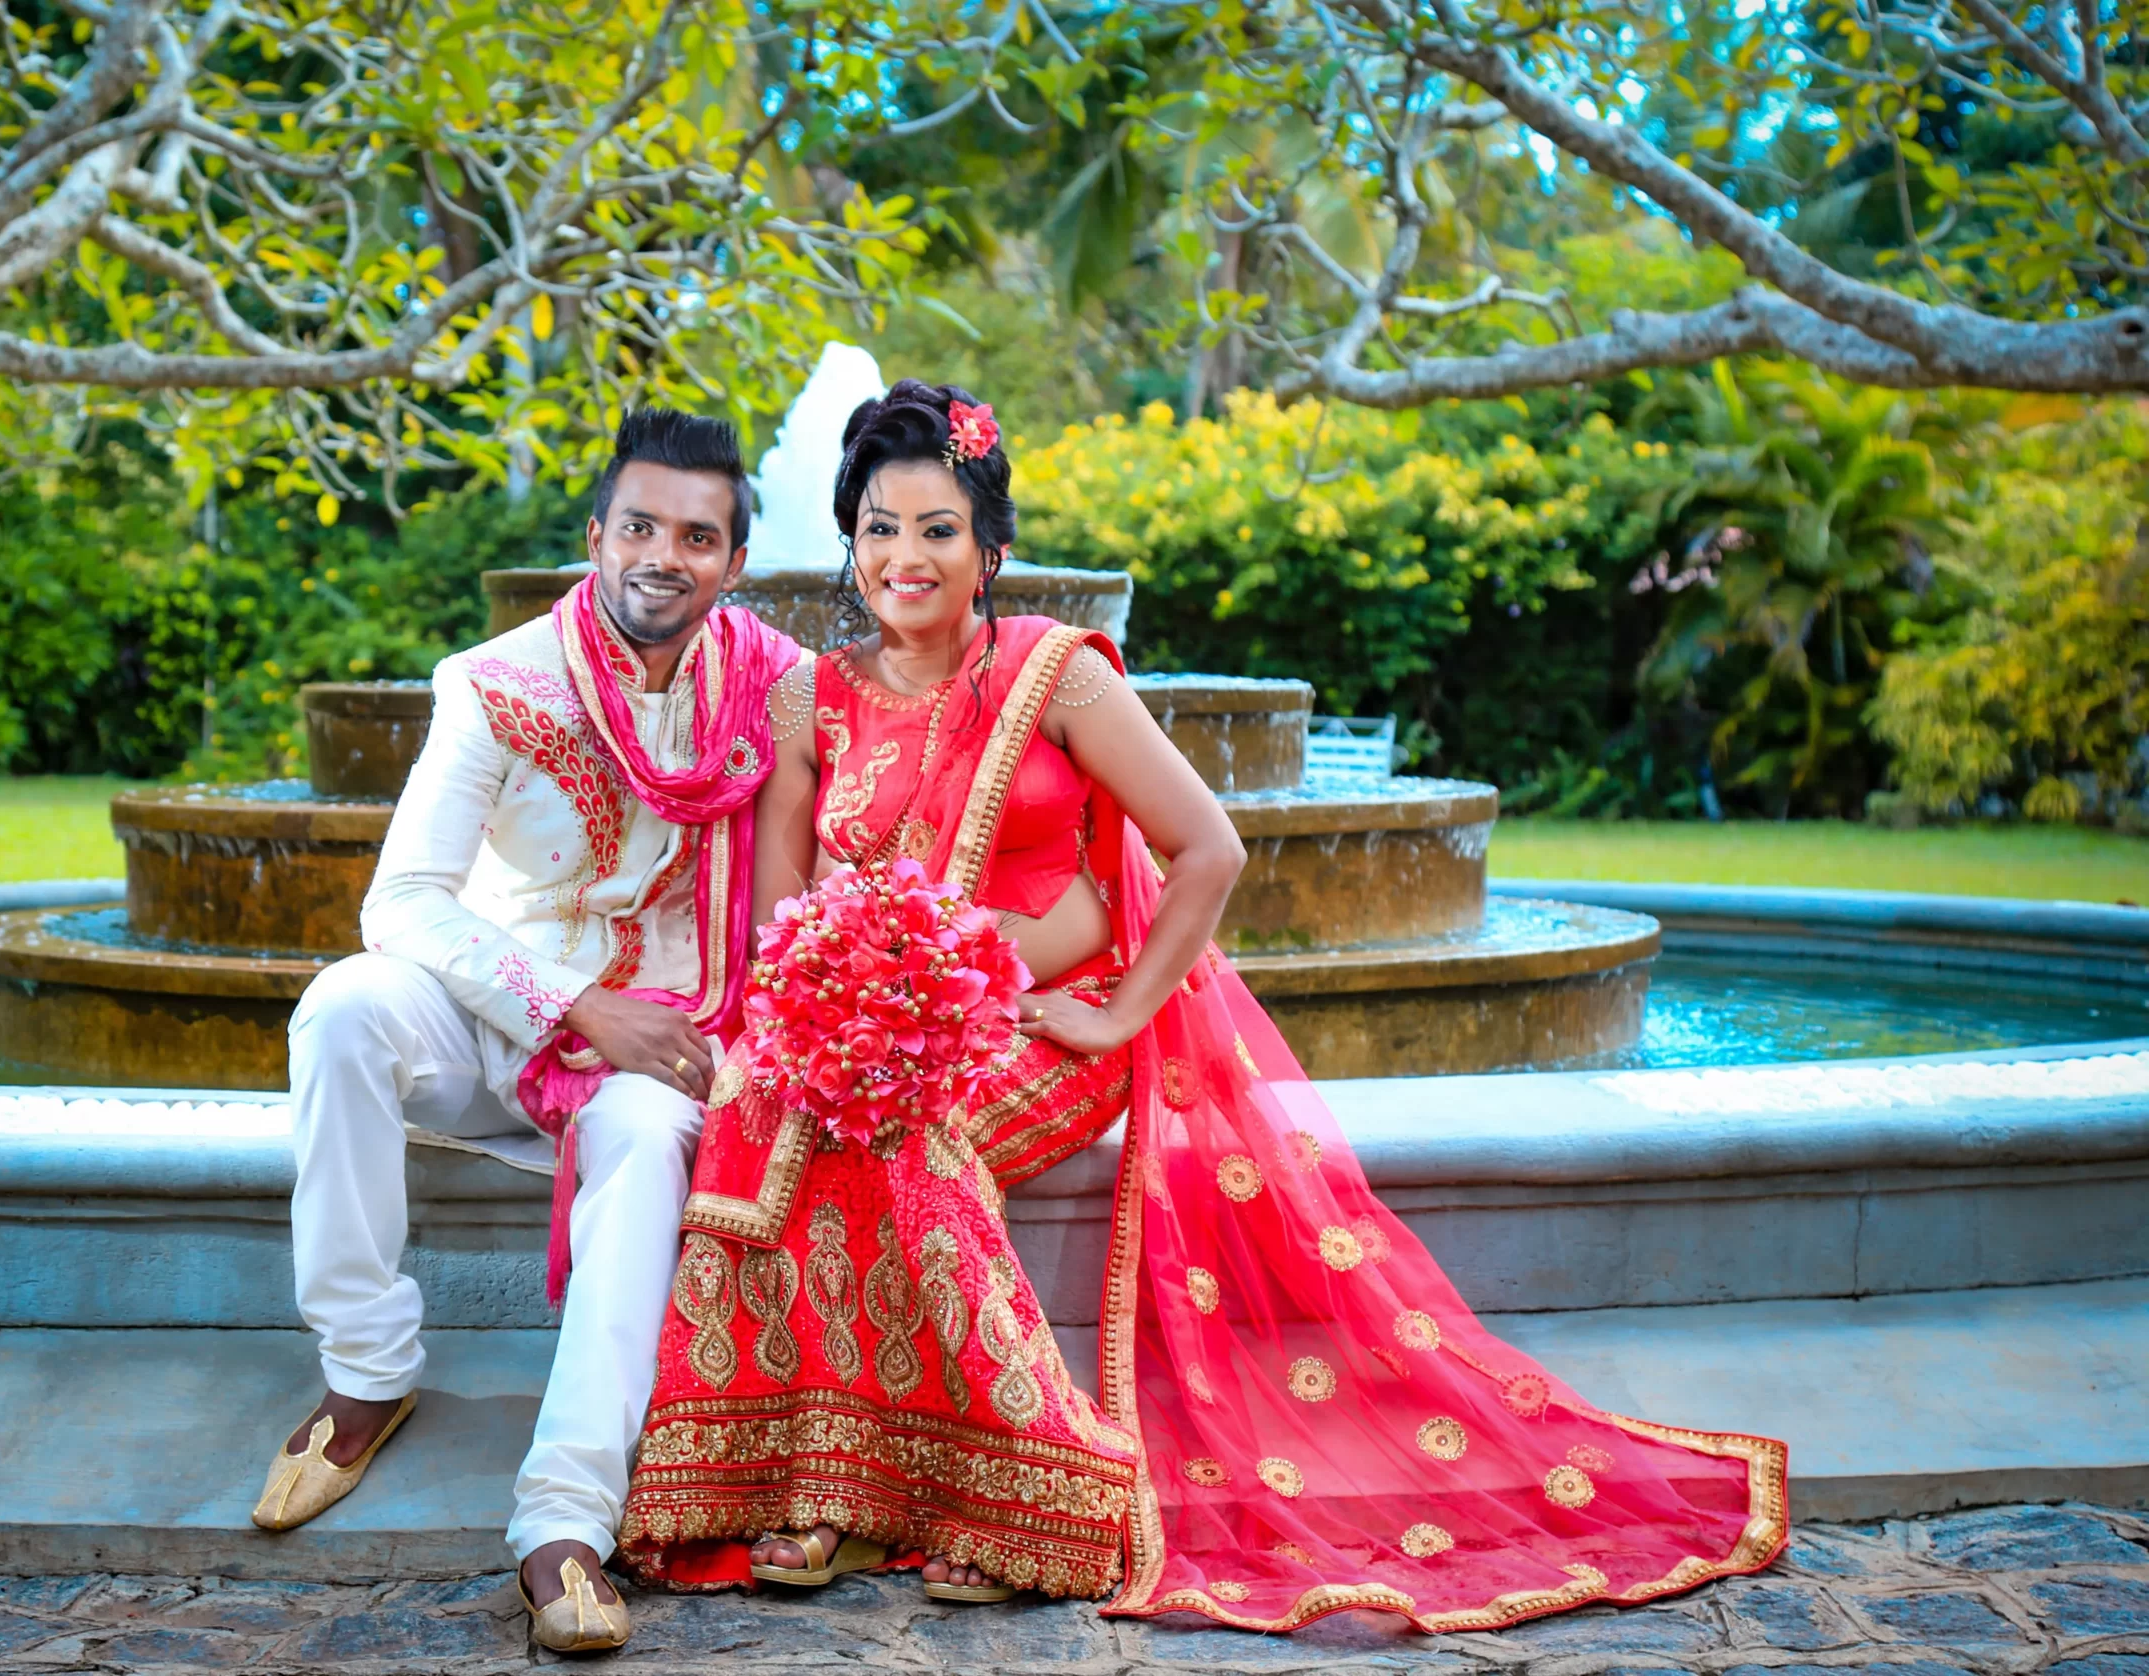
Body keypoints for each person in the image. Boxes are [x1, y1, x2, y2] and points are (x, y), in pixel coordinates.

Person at [615, 381, 1789, 1632]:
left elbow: (1208, 849)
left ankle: (1036, 1492)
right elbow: (785, 914)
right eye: (880, 527)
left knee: (913, 1142)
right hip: (872, 1022)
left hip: (1033, 1023)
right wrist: (824, 1020)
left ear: (990, 547)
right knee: (775, 1116)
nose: (906, 557)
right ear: (848, 541)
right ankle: (829, 1483)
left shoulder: (1053, 675)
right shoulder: (811, 697)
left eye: (938, 528)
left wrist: (1114, 1014)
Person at [253, 408, 800, 1655]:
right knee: (341, 1007)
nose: (665, 554)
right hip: (504, 1015)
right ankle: (366, 1369)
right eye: (642, 525)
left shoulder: (775, 686)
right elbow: (399, 900)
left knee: (654, 1134)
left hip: (660, 1044)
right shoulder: (497, 682)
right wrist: (568, 1004)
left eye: (698, 536)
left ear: (732, 562)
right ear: (596, 534)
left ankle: (563, 1519)